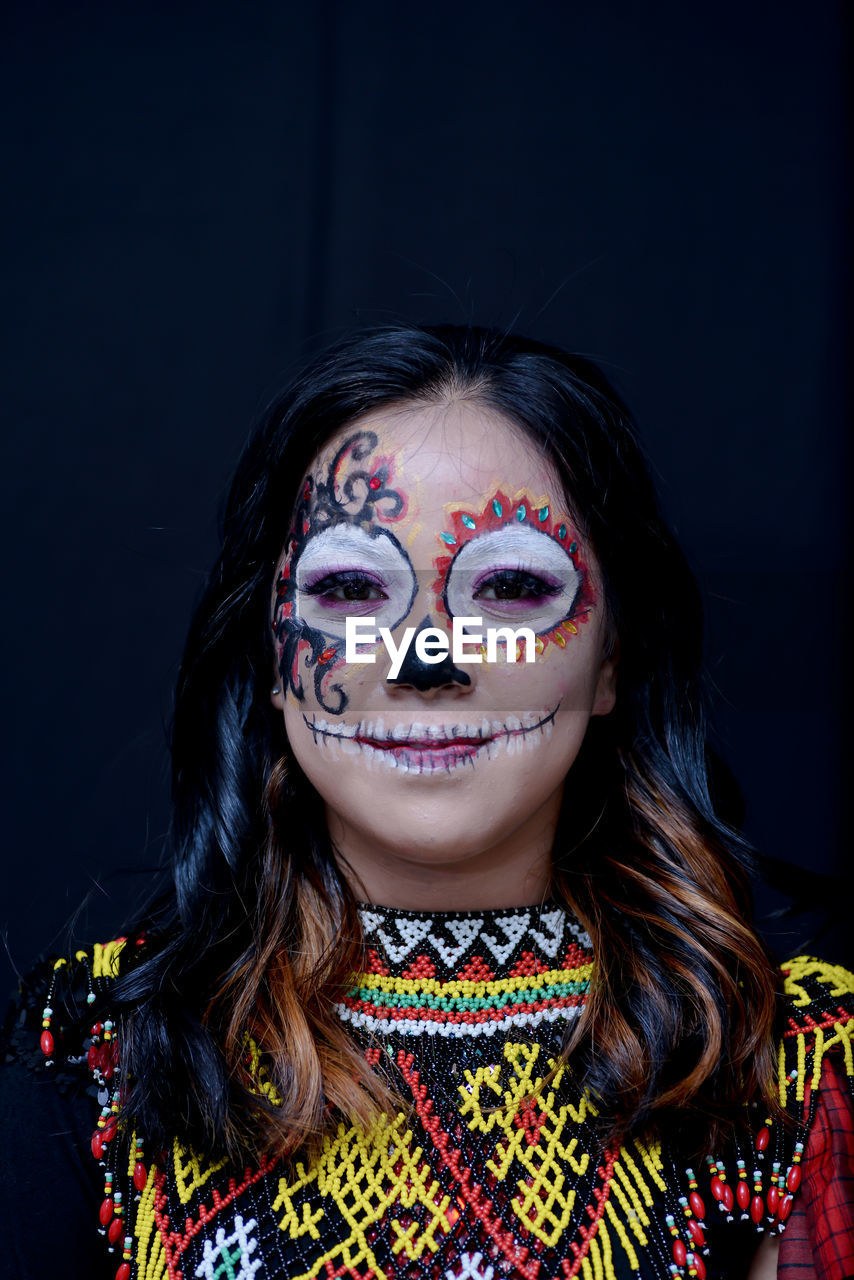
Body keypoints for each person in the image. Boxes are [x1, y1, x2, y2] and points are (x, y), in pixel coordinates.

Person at [2, 324, 852, 1280]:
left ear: (611, 656)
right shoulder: (98, 1053)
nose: (426, 658)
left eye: (514, 587)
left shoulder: (795, 1067)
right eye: (353, 588)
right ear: (274, 657)